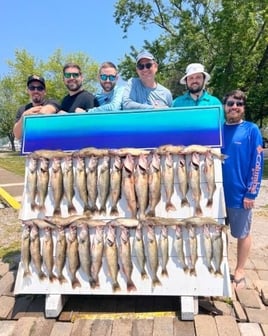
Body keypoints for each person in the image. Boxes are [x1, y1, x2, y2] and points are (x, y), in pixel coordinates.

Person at [221, 89, 264, 290]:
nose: (234, 107)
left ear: (243, 108)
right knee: (217, 233)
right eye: (230, 103)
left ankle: (240, 270)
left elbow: (257, 162)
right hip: (217, 195)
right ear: (224, 106)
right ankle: (220, 267)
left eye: (238, 104)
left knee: (242, 234)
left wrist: (251, 192)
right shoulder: (218, 129)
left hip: (240, 195)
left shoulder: (251, 130)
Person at [13, 75, 60, 139]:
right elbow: (17, 135)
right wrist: (24, 116)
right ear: (27, 90)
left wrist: (32, 114)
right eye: (32, 88)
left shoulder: (53, 102)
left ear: (45, 91)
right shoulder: (22, 110)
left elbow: (46, 111)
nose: (36, 91)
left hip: (50, 147)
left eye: (40, 88)